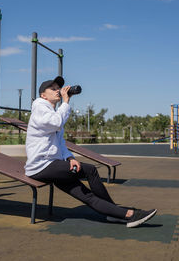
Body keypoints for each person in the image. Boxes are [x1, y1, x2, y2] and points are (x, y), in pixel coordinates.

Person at [25, 76, 157, 228]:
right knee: (90, 170)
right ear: (43, 95)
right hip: (41, 166)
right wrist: (66, 102)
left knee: (85, 194)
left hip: (54, 165)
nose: (58, 91)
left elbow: (60, 142)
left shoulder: (52, 111)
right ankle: (120, 213)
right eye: (53, 89)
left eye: (58, 88)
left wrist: (69, 158)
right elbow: (57, 122)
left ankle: (119, 214)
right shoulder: (40, 107)